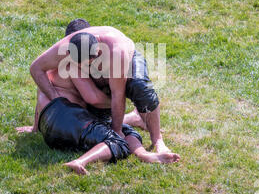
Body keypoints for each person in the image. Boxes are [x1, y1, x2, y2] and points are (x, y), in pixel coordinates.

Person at [30, 20, 174, 154]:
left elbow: (117, 95)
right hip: (89, 63)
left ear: (97, 53)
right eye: (78, 64)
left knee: (140, 88)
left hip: (126, 60)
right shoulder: (65, 48)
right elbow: (36, 69)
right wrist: (56, 100)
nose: (81, 68)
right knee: (95, 108)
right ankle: (134, 118)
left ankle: (158, 140)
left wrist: (117, 131)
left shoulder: (118, 52)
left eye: (86, 64)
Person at [17, 62, 180, 175]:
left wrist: (36, 127)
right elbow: (93, 99)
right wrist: (119, 99)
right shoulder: (73, 66)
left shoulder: (47, 67)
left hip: (49, 127)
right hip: (67, 124)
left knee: (124, 130)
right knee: (117, 140)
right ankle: (81, 161)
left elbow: (42, 97)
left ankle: (144, 151)